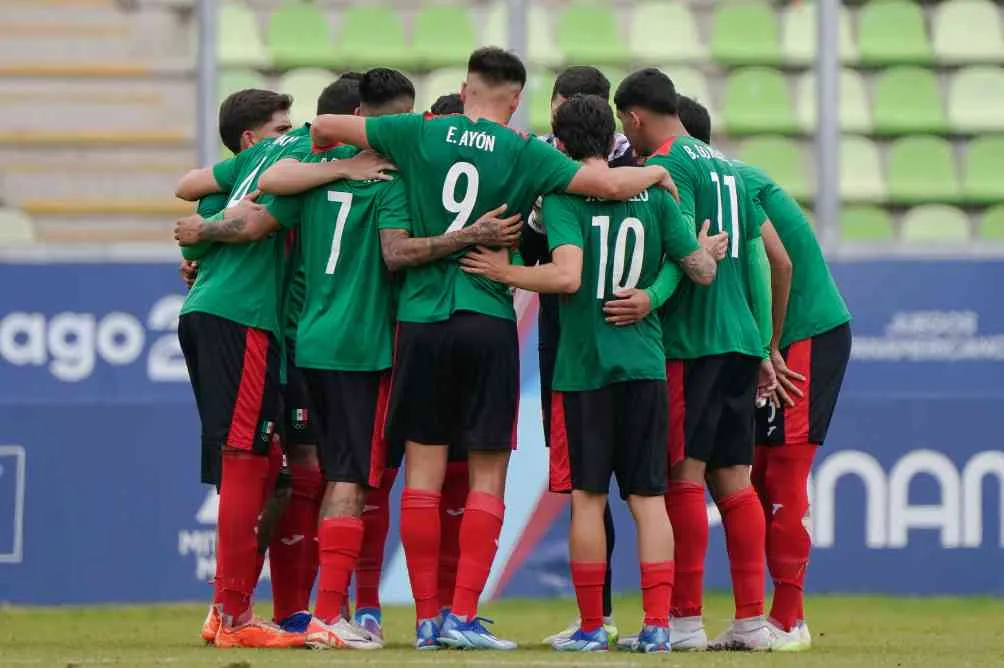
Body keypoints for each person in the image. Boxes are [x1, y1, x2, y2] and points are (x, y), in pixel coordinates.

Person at [310, 46, 678, 651]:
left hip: (421, 321)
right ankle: (461, 614)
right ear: (514, 100)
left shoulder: (415, 133)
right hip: (485, 317)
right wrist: (658, 174)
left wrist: (346, 165)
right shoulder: (524, 150)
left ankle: (426, 620)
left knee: (423, 476)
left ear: (465, 86)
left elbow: (324, 127)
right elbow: (608, 183)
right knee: (487, 476)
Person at [461, 93, 727, 653]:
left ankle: (591, 626)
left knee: (587, 498)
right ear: (611, 138)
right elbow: (699, 271)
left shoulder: (560, 200)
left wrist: (503, 270)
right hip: (644, 367)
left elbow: (565, 278)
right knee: (648, 499)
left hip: (583, 371)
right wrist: (696, 257)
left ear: (559, 142)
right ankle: (657, 626)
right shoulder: (654, 196)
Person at [172, 88, 391, 649]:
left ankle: (251, 610)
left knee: (271, 463)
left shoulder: (260, 156)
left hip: (226, 314)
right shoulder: (304, 155)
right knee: (251, 461)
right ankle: (235, 616)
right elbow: (245, 216)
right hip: (248, 318)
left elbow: (193, 188)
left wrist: (201, 240)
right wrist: (345, 165)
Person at [678, 94, 852, 651]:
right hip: (767, 337)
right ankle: (753, 618)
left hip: (801, 334)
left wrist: (767, 346)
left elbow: (777, 262)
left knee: (780, 476)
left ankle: (788, 619)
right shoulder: (725, 179)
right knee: (746, 475)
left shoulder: (734, 181)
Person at [615, 68, 781, 651]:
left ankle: (684, 621)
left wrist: (650, 298)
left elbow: (683, 252)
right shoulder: (729, 167)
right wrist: (762, 345)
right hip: (738, 340)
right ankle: (752, 622)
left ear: (634, 116)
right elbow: (759, 261)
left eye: (623, 125)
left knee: (682, 477)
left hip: (693, 341)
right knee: (736, 481)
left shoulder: (672, 165)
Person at [261, 67, 416, 650]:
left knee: (327, 477)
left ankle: (320, 608)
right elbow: (398, 254)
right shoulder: (389, 181)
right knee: (352, 479)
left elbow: (268, 187)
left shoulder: (312, 179)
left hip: (311, 341)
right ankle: (331, 616)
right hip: (360, 349)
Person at [524, 65, 635, 649]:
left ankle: (609, 618)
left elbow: (529, 244)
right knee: (601, 486)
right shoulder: (639, 170)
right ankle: (637, 618)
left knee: (602, 485)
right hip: (593, 338)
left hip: (590, 340)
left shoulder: (575, 168)